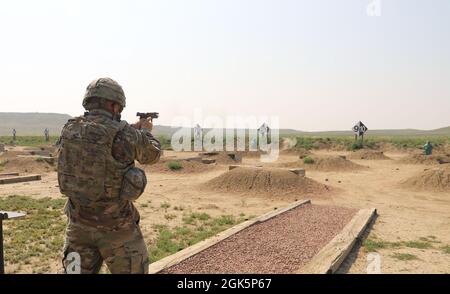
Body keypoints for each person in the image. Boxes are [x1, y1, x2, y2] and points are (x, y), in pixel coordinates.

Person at [57, 78, 161, 274]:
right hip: (118, 231)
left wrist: (131, 128)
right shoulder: (126, 135)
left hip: (77, 227)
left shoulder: (70, 129)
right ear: (114, 105)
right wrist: (146, 132)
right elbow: (152, 155)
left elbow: (98, 136)